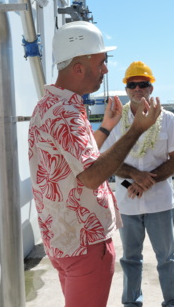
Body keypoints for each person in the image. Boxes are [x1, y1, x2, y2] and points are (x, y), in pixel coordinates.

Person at [28, 21, 161, 307]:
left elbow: (77, 164)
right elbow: (90, 177)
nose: (106, 70)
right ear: (78, 68)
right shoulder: (67, 113)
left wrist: (105, 127)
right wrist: (135, 129)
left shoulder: (47, 106)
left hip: (63, 241)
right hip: (85, 243)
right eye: (101, 62)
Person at [100, 61, 174, 307]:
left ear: (151, 87)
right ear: (126, 89)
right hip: (128, 203)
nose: (138, 89)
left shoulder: (168, 118)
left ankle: (172, 303)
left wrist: (147, 181)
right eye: (132, 84)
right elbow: (106, 161)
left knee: (167, 258)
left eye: (143, 84)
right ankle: (131, 303)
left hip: (160, 203)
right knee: (130, 259)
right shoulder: (116, 120)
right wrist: (135, 178)